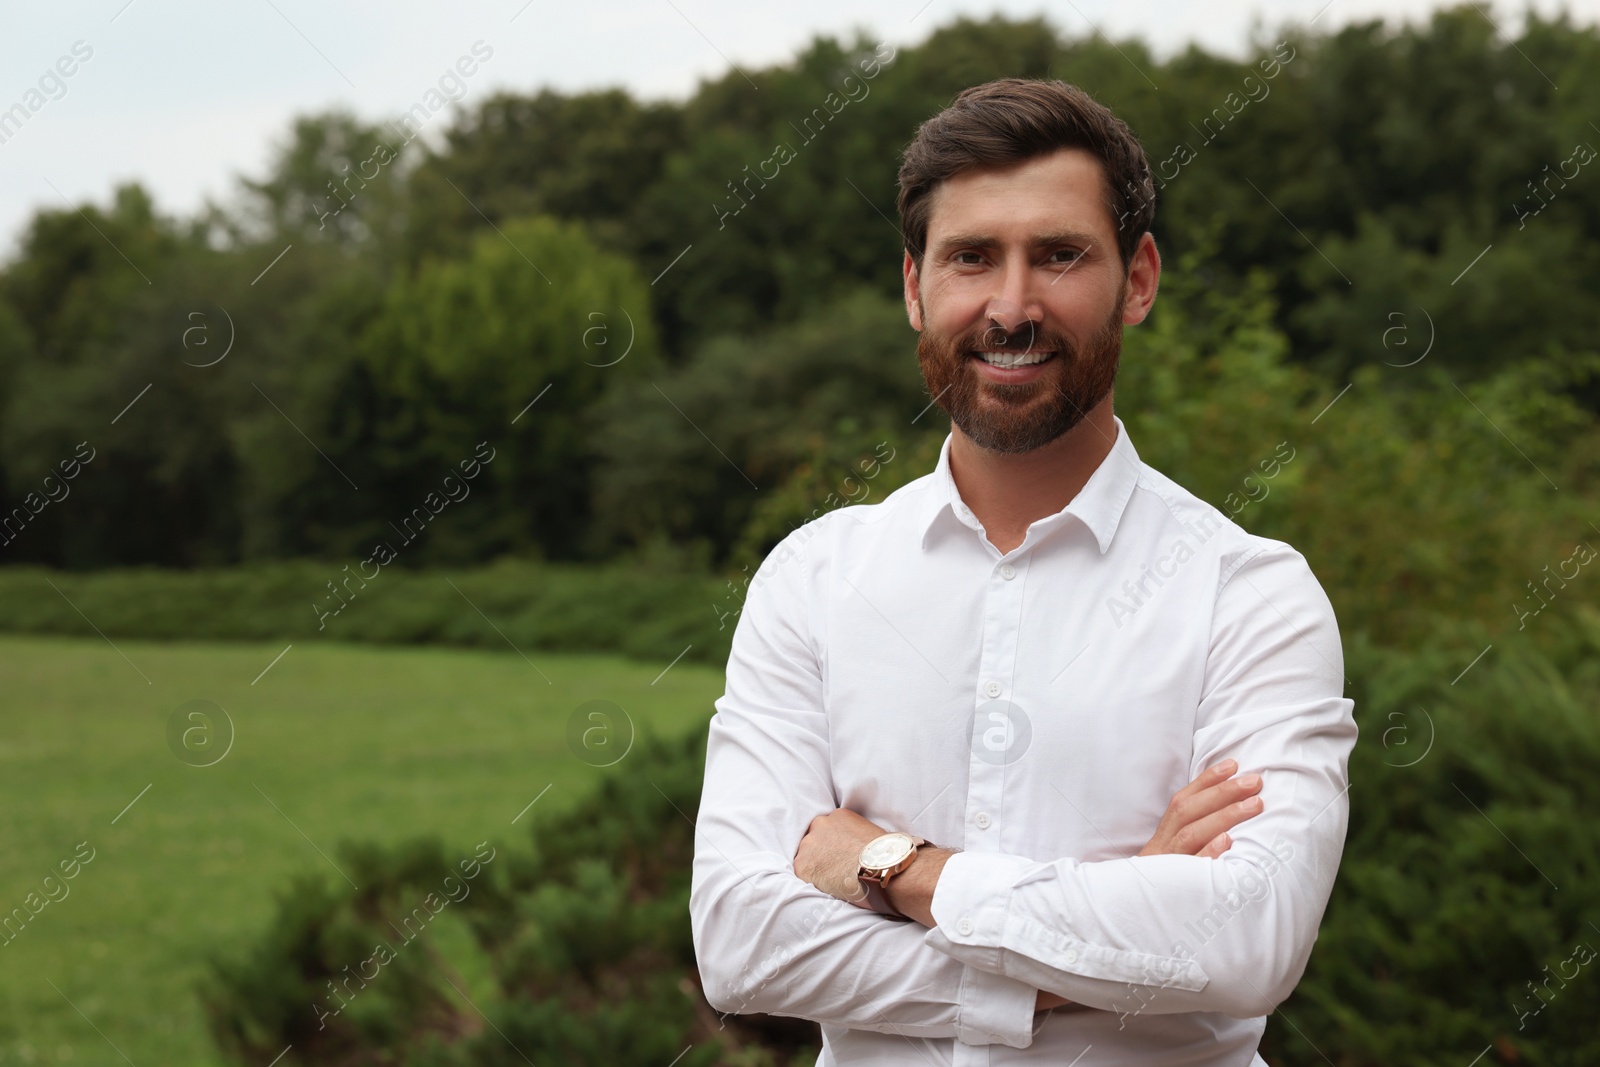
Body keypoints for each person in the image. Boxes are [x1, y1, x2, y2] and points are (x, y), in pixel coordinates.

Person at [689, 77, 1357, 1066]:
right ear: (914, 286)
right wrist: (1082, 953)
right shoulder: (813, 580)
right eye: (970, 258)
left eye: (1058, 255)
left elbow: (1244, 937)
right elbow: (743, 942)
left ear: (1136, 279)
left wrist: (894, 868)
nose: (1010, 305)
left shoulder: (1248, 595)